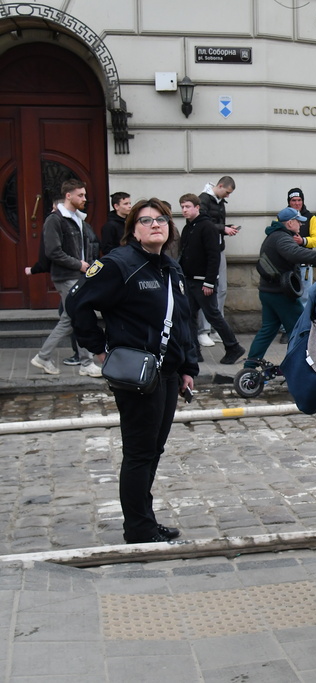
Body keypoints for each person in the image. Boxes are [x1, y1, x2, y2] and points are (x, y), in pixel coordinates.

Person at [66, 198, 200, 544]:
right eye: (145, 220)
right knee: (140, 453)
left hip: (168, 375)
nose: (155, 225)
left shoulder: (171, 267)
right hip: (136, 376)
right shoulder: (119, 264)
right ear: (133, 230)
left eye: (161, 220)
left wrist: (188, 366)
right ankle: (138, 528)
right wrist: (98, 349)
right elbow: (78, 302)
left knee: (153, 450)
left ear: (170, 229)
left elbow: (182, 320)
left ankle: (145, 518)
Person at [243, 207, 316, 367]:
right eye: (298, 222)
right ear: (289, 223)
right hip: (281, 295)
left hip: (268, 292)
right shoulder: (282, 238)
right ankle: (298, 368)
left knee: (268, 330)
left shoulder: (273, 236)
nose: (301, 225)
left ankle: (249, 367)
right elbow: (296, 253)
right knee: (300, 331)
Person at [29, 178, 102, 378]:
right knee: (78, 316)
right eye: (81, 195)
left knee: (72, 317)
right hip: (67, 276)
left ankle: (46, 357)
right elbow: (53, 251)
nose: (84, 199)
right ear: (68, 196)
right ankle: (84, 362)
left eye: (85, 195)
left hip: (78, 275)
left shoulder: (78, 218)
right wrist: (78, 264)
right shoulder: (55, 219)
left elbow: (86, 247)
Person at [177, 193, 246, 365]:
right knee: (190, 316)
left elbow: (213, 256)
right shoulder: (188, 228)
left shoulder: (206, 227)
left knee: (213, 315)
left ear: (197, 207)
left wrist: (209, 281)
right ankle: (194, 351)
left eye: (187, 207)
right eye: (182, 207)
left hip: (203, 282)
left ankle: (233, 347)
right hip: (189, 280)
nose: (184, 210)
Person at [196, 176, 240, 346]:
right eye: (227, 192)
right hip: (208, 251)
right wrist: (224, 229)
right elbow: (203, 224)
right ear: (220, 186)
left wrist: (227, 228)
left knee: (221, 290)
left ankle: (215, 328)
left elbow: (214, 223)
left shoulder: (218, 200)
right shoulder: (203, 199)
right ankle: (203, 330)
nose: (228, 196)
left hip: (218, 248)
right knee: (208, 290)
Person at [285, 187, 316, 306]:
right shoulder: (283, 216)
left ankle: (303, 323)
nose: (297, 203)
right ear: (289, 202)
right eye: (294, 200)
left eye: (299, 200)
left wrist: (303, 241)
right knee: (287, 297)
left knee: (305, 298)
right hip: (287, 264)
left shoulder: (310, 217)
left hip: (304, 264)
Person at [99, 192, 131, 256]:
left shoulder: (130, 222)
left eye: (130, 203)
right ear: (116, 206)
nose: (129, 206)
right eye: (125, 204)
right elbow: (107, 249)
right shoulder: (110, 226)